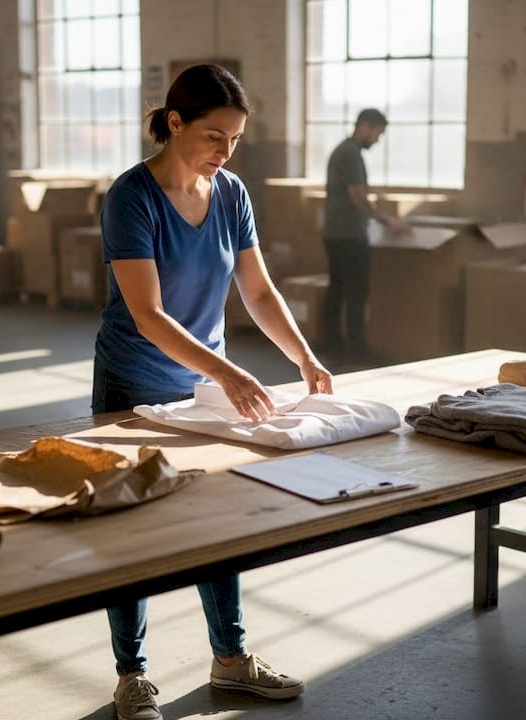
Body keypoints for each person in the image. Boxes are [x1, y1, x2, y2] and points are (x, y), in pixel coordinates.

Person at [94, 64, 332, 720]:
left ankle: (231, 660)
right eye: (214, 136)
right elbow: (148, 315)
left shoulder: (231, 193)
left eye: (235, 140)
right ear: (175, 123)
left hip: (203, 389)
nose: (226, 152)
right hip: (133, 382)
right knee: (133, 531)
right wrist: (228, 372)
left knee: (217, 524)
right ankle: (131, 677)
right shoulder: (131, 198)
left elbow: (257, 290)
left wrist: (304, 356)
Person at [321, 108, 410, 363]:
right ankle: (356, 352)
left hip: (335, 232)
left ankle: (333, 347)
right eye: (377, 134)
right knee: (355, 294)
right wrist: (386, 219)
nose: (377, 140)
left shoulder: (343, 150)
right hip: (349, 234)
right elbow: (357, 196)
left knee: (337, 290)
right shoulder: (351, 154)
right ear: (365, 127)